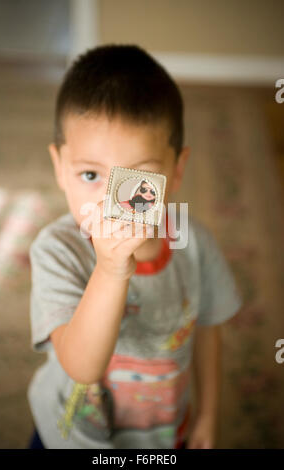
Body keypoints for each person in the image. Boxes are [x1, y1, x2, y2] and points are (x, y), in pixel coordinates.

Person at [27, 44, 242, 449]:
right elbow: (82, 367)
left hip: (163, 434)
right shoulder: (57, 251)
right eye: (90, 174)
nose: (111, 202)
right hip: (72, 436)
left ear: (176, 171)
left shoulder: (193, 243)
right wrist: (110, 270)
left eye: (137, 181)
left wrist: (209, 416)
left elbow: (208, 330)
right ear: (60, 167)